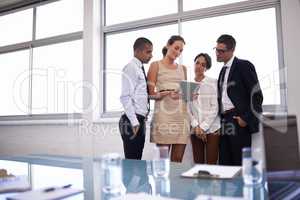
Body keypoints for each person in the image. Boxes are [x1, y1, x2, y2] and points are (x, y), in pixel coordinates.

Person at [216, 34, 263, 166]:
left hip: (238, 120)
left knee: (241, 164)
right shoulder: (222, 71)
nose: (217, 53)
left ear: (232, 51)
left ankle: (244, 187)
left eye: (221, 51)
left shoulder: (244, 66)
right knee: (225, 163)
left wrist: (245, 119)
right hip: (225, 121)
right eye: (216, 49)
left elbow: (257, 96)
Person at [147, 35, 189, 162]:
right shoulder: (155, 65)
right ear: (168, 45)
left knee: (177, 161)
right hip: (163, 117)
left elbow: (185, 93)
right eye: (176, 48)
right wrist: (164, 93)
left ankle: (175, 182)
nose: (178, 52)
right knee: (162, 161)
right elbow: (150, 94)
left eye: (181, 50)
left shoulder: (183, 69)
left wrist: (190, 95)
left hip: (181, 117)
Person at [119, 37, 153, 160]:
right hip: (131, 121)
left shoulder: (139, 68)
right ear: (137, 51)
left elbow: (140, 95)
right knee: (132, 164)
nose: (151, 55)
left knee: (137, 161)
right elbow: (125, 97)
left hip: (139, 120)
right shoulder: (131, 67)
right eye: (148, 52)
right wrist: (134, 122)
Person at [188, 53, 220, 164]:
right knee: (198, 165)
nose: (199, 66)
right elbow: (187, 110)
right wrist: (196, 126)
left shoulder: (213, 82)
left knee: (212, 164)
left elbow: (215, 107)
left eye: (203, 64)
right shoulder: (188, 85)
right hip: (195, 129)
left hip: (212, 128)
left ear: (206, 68)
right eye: (197, 63)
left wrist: (203, 127)